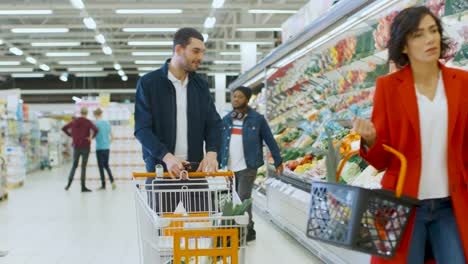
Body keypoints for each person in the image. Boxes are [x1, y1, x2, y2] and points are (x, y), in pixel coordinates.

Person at [353, 6, 468, 264]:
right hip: (400, 204)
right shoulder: (388, 87)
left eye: (433, 31)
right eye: (418, 35)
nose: (430, 39)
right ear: (403, 46)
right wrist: (371, 140)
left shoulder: (463, 83)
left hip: (451, 204)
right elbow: (383, 161)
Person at [134, 27, 221, 213]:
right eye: (196, 51)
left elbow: (213, 123)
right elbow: (142, 129)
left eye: (203, 52)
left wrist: (212, 152)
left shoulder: (201, 86)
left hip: (196, 173)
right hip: (162, 172)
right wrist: (166, 157)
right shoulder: (149, 83)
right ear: (179, 50)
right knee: (162, 233)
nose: (200, 57)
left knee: (201, 232)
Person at [218, 86, 284, 242]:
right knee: (237, 200)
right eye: (234, 96)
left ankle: (243, 231)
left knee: (242, 198)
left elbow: (270, 140)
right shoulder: (227, 119)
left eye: (240, 97)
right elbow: (221, 143)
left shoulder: (257, 119)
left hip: (248, 166)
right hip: (230, 168)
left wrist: (278, 160)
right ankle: (250, 228)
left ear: (247, 99)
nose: (236, 99)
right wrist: (221, 166)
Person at [63, 107, 99, 192]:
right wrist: (91, 137)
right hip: (85, 146)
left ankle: (68, 185)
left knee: (74, 166)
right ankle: (83, 187)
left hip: (76, 146)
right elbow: (96, 130)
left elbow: (64, 128)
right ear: (86, 113)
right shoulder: (88, 122)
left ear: (80, 113)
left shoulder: (74, 121)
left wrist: (71, 135)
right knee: (83, 167)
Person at [93, 108, 116, 190]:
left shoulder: (95, 124)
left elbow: (92, 136)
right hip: (106, 148)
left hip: (99, 148)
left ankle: (103, 185)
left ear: (95, 115)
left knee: (100, 167)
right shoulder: (107, 123)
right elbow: (113, 137)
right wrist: (107, 143)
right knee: (106, 165)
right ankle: (112, 181)